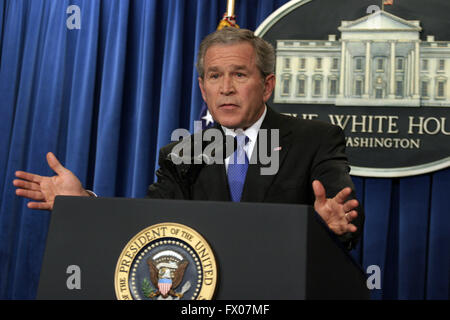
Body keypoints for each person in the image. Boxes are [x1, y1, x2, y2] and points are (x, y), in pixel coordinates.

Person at [13, 27, 363, 250]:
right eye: (214, 76)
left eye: (239, 74)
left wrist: (330, 224)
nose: (225, 88)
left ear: (267, 85)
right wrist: (86, 204)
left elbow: (343, 221)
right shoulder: (182, 154)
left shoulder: (316, 138)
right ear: (202, 87)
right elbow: (149, 226)